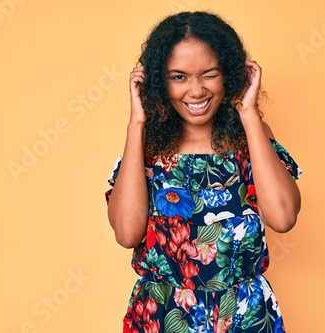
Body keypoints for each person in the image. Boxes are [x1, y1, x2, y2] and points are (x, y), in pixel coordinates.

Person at [105, 11, 302, 333]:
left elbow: (283, 219)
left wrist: (249, 113)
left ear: (230, 75)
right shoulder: (146, 146)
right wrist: (137, 123)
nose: (196, 91)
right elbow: (127, 234)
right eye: (178, 77)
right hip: (163, 314)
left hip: (244, 313)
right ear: (158, 81)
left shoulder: (250, 137)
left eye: (209, 74)